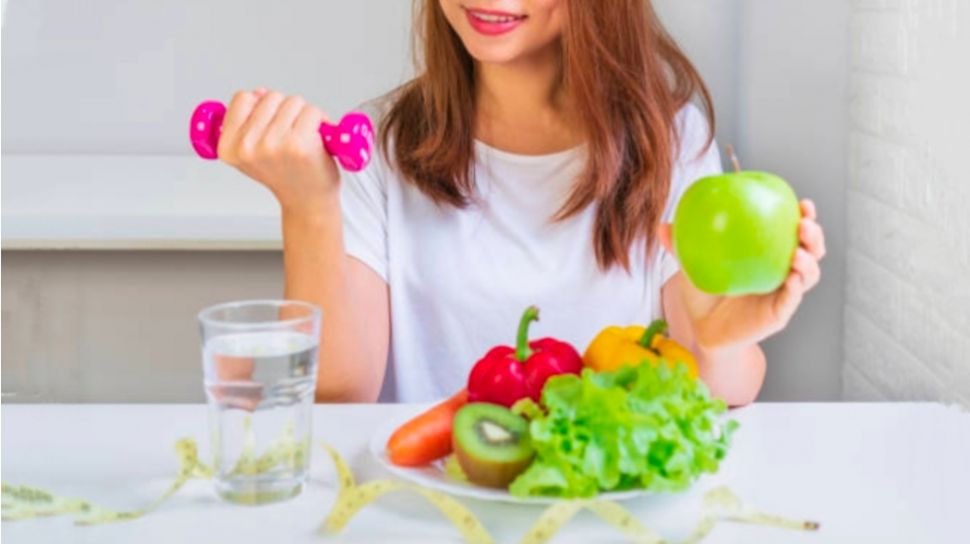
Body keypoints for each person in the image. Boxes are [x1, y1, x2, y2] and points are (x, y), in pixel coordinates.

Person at [215, 1, 826, 406]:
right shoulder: (377, 147)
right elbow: (339, 396)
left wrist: (718, 342)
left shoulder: (672, 140)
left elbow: (722, 393)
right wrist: (308, 206)